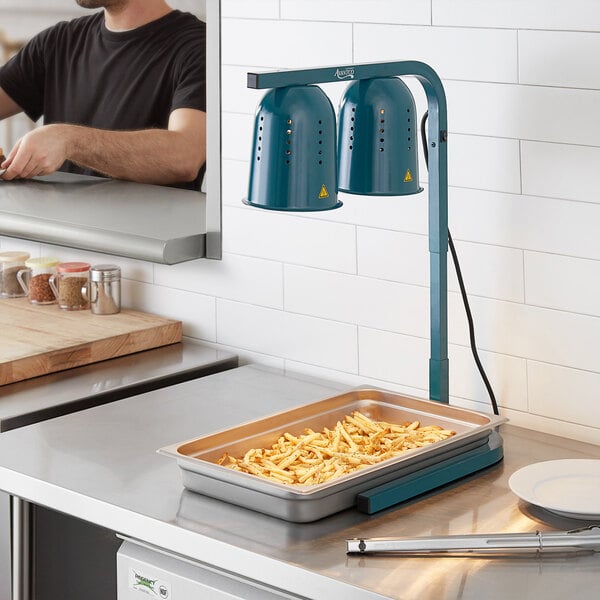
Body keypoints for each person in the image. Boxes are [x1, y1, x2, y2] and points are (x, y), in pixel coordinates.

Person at [0, 0, 206, 189]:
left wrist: (69, 140)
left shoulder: (199, 48)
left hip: (147, 228)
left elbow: (185, 158)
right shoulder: (59, 41)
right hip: (60, 227)